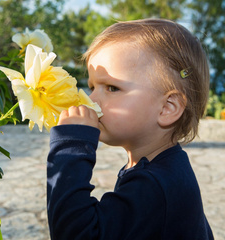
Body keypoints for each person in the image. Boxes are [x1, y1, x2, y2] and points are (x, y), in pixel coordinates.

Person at [47, 18, 214, 240]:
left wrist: (70, 147)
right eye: (92, 87)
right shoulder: (163, 167)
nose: (91, 100)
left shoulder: (156, 186)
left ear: (167, 108)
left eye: (112, 88)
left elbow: (75, 234)